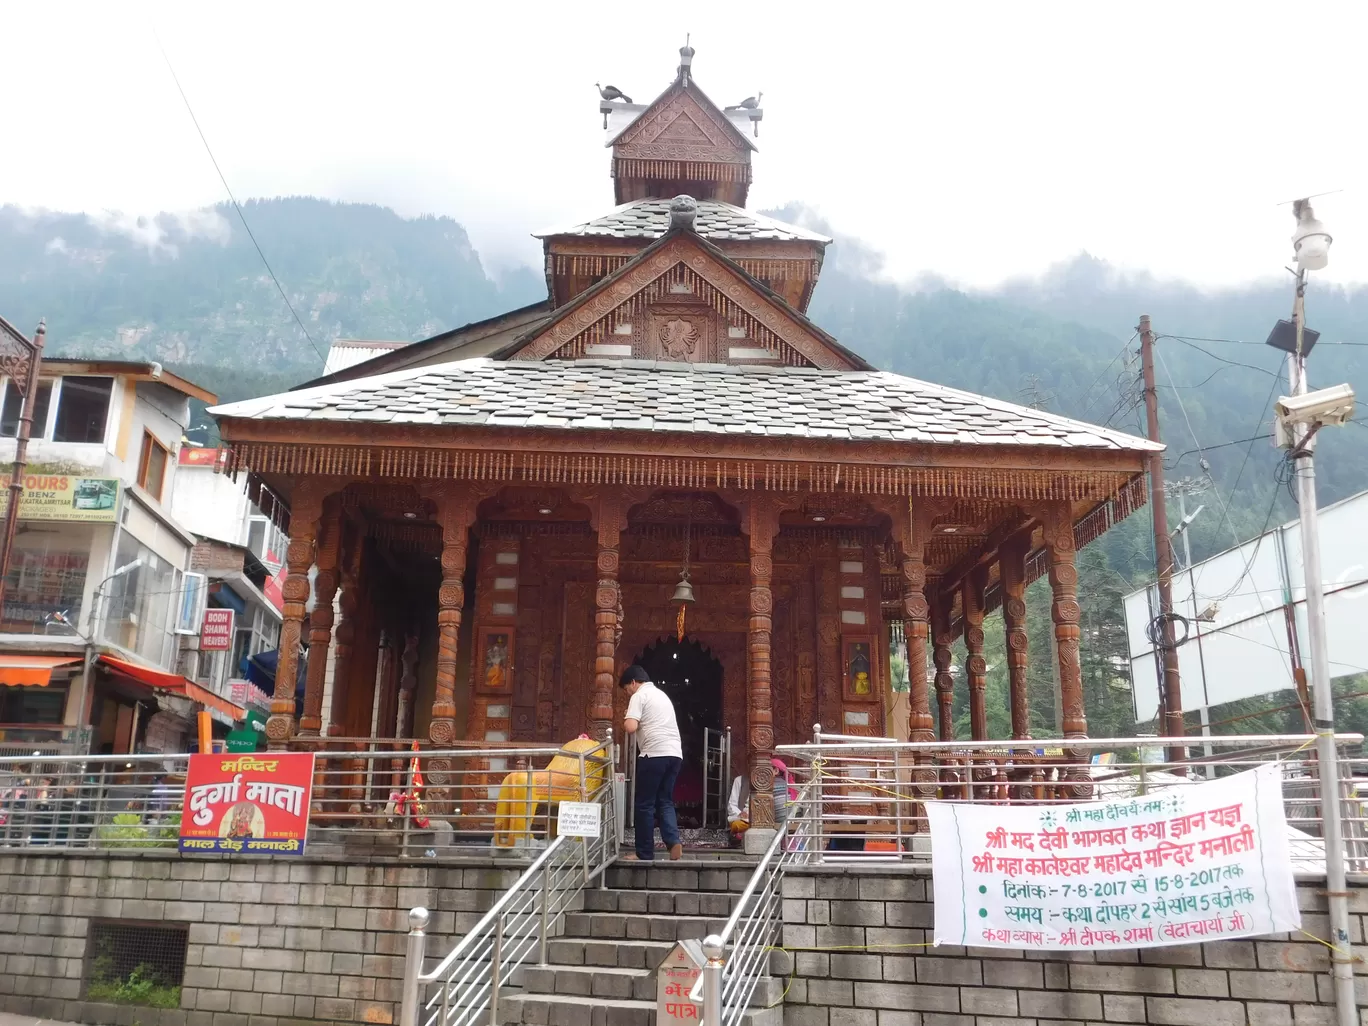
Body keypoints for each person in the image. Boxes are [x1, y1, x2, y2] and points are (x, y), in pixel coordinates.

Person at [620, 664, 683, 861]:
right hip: (675, 754)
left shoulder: (639, 695)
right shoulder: (661, 695)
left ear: (633, 682)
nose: (627, 693)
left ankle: (644, 853)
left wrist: (626, 716)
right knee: (665, 801)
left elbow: (630, 727)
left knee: (644, 804)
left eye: (626, 689)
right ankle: (673, 841)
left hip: (654, 754)